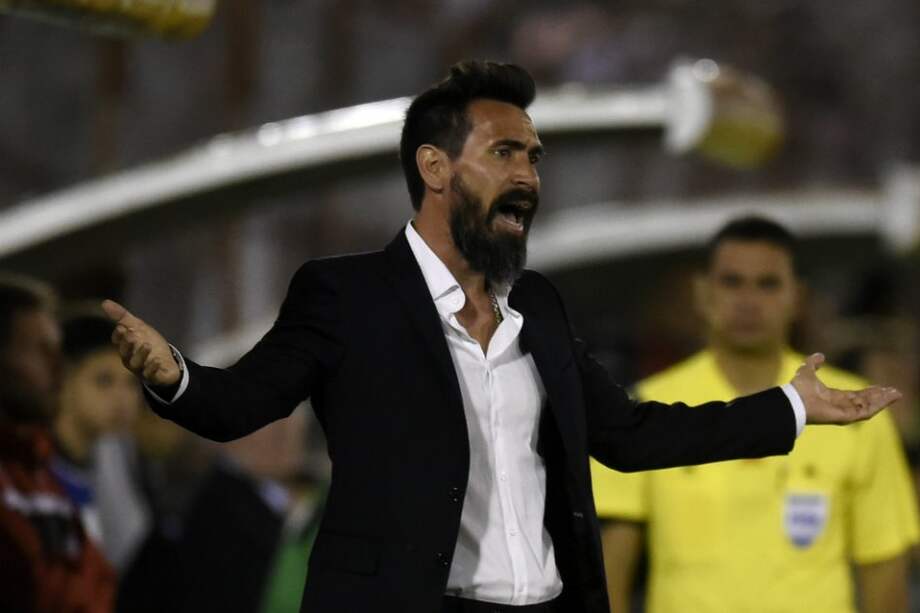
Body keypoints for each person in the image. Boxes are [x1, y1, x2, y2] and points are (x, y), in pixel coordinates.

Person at [103, 61, 901, 613]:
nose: (530, 175)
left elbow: (626, 432)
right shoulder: (345, 293)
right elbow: (243, 399)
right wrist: (173, 371)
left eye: (535, 156)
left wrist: (789, 408)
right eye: (506, 153)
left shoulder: (541, 305)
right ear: (436, 167)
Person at [590, 216, 920, 613]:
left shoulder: (854, 411)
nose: (749, 301)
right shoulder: (645, 410)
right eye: (732, 282)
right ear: (702, 293)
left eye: (768, 284)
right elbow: (611, 571)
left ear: (798, 297)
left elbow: (883, 566)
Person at [0, 276, 115, 613]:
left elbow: (97, 583)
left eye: (57, 350)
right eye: (40, 350)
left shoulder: (39, 471)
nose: (57, 367)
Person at [52, 312, 145, 558]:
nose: (123, 399)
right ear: (62, 379)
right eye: (104, 381)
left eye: (131, 383)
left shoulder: (116, 453)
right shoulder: (28, 465)